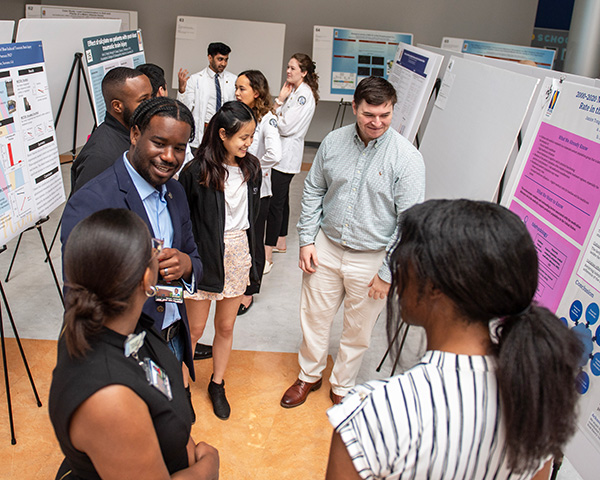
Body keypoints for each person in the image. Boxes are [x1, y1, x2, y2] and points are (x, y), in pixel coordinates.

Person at [325, 199, 583, 480]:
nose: (397, 269)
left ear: (434, 286)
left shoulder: (374, 413)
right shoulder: (536, 402)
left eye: (406, 257)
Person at [280, 76, 425, 408]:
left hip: (373, 258)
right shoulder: (332, 142)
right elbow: (314, 189)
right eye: (369, 114)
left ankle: (343, 385)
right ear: (355, 108)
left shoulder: (407, 158)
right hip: (326, 246)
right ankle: (308, 376)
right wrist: (306, 240)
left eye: (384, 115)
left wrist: (388, 274)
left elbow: (409, 223)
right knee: (314, 317)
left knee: (358, 330)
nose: (377, 122)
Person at [50, 209, 219, 480]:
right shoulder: (109, 399)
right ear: (146, 279)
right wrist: (208, 466)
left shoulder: (123, 325)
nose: (159, 251)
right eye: (154, 249)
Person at [61, 97, 202, 420]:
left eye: (179, 148)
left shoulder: (176, 192)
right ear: (135, 134)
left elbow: (196, 257)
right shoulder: (94, 202)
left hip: (172, 341)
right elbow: (78, 298)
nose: (170, 157)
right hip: (123, 353)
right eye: (160, 143)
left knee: (174, 429)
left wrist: (187, 263)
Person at [178, 101, 261, 420]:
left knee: (226, 325)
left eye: (252, 136)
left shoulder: (251, 168)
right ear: (222, 134)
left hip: (239, 252)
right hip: (203, 256)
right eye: (243, 137)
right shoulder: (196, 170)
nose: (248, 143)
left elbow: (257, 219)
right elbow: (182, 218)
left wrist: (256, 269)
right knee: (194, 329)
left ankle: (217, 383)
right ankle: (183, 387)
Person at [264, 53, 318, 273]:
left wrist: (276, 105)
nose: (288, 71)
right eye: (288, 67)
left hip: (286, 154)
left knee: (275, 202)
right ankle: (281, 241)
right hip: (284, 153)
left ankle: (270, 250)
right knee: (282, 199)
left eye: (293, 68)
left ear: (304, 72)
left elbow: (285, 126)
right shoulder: (295, 91)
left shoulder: (304, 95)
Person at [234, 70, 282, 314]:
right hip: (238, 187)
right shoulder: (240, 114)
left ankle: (250, 290)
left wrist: (251, 166)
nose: (237, 92)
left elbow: (275, 154)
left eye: (242, 88)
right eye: (236, 87)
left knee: (254, 240)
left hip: (258, 191)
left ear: (256, 92)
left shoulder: (267, 119)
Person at [71, 67, 152, 192]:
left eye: (151, 97)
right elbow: (83, 207)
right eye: (143, 100)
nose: (151, 104)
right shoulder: (99, 157)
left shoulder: (135, 133)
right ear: (117, 106)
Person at [177, 42, 236, 149]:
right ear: (210, 58)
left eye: (226, 60)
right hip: (204, 129)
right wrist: (182, 91)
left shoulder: (233, 80)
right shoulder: (195, 80)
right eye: (220, 59)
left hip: (224, 131)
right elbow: (185, 109)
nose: (223, 63)